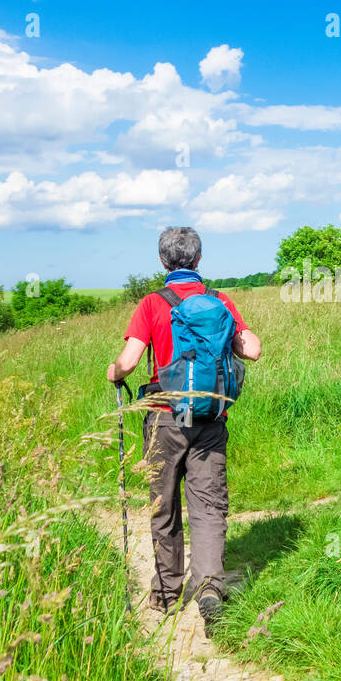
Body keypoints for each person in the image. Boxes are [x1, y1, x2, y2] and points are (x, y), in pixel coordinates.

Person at [107, 226, 262, 632]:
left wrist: (114, 372)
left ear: (163, 262)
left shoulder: (152, 303)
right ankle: (210, 587)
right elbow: (253, 350)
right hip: (211, 416)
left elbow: (128, 361)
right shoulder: (219, 302)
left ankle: (166, 593)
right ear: (198, 260)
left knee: (164, 504)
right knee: (208, 506)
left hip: (163, 414)